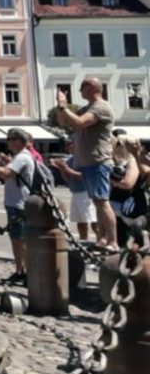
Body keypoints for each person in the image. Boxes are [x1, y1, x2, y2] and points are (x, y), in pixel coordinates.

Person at [56, 78, 117, 248]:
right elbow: (64, 122)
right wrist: (62, 107)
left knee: (103, 202)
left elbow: (80, 122)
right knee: (98, 202)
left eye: (82, 86)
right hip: (88, 161)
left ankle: (113, 241)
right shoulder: (87, 108)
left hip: (98, 160)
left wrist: (63, 105)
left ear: (92, 88)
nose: (80, 90)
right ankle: (103, 238)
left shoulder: (100, 107)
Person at [0, 129, 36, 285]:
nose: (7, 142)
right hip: (16, 202)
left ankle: (26, 272)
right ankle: (21, 270)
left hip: (18, 204)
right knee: (17, 239)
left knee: (20, 240)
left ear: (18, 141)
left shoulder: (22, 157)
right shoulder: (21, 157)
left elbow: (6, 174)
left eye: (9, 139)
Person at [108, 137, 149, 247]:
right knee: (135, 227)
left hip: (134, 204)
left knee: (136, 226)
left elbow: (128, 183)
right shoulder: (121, 160)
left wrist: (136, 154)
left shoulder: (132, 162)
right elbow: (146, 172)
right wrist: (137, 154)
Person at [50, 154, 98, 242]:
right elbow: (66, 178)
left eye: (70, 143)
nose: (68, 146)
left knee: (93, 220)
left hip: (85, 192)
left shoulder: (84, 158)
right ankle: (84, 241)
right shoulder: (70, 159)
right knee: (80, 222)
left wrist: (67, 169)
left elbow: (84, 176)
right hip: (75, 192)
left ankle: (101, 240)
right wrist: (61, 168)